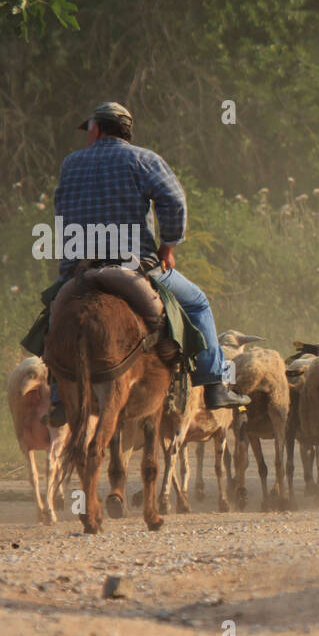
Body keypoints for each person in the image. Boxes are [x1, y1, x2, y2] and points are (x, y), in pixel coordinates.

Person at [47, 102, 248, 424]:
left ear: (97, 128)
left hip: (81, 268)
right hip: (133, 266)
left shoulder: (71, 163)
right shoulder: (142, 158)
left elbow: (62, 212)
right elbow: (174, 199)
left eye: (88, 130)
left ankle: (58, 395)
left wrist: (69, 264)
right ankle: (214, 384)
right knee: (197, 304)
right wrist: (168, 246)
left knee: (52, 317)